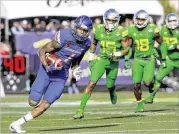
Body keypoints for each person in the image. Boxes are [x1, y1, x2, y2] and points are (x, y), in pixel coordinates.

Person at [9, 15, 93, 133]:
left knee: (45, 105)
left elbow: (76, 59)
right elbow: (42, 50)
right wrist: (48, 65)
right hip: (47, 71)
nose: (83, 33)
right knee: (32, 102)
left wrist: (75, 68)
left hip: (61, 76)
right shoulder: (64, 36)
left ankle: (16, 124)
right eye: (81, 29)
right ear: (76, 27)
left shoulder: (86, 43)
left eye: (86, 31)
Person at [73, 9, 130, 119]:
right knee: (91, 83)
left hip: (113, 61)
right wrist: (91, 55)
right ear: (105, 20)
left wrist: (118, 53)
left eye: (113, 21)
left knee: (109, 85)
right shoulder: (98, 29)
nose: (111, 23)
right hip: (102, 59)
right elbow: (94, 43)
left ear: (117, 21)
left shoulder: (121, 31)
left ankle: (112, 91)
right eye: (108, 20)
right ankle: (80, 110)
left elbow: (126, 49)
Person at [127, 10, 163, 112]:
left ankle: (152, 85)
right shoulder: (131, 29)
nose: (139, 22)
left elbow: (160, 41)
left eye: (142, 20)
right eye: (138, 19)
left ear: (146, 20)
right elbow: (126, 43)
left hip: (149, 59)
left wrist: (156, 47)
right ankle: (139, 105)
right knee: (136, 84)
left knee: (147, 83)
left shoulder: (152, 28)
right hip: (137, 59)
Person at [144, 13, 179, 103]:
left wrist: (173, 46)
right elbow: (158, 43)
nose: (172, 23)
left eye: (174, 21)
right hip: (169, 59)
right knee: (158, 78)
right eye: (170, 21)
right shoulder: (163, 29)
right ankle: (151, 97)